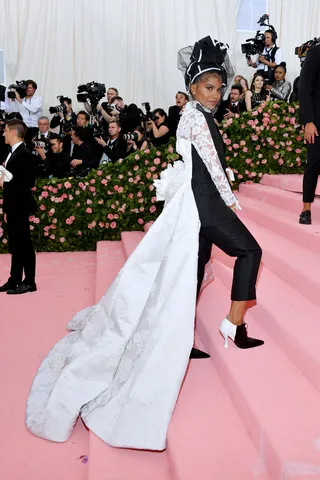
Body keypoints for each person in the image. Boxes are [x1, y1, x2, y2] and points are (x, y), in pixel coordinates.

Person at [25, 36, 263, 452]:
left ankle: (185, 340)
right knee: (250, 251)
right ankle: (234, 324)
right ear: (192, 88)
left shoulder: (197, 114)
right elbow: (211, 165)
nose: (217, 92)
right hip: (206, 206)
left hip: (196, 208)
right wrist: (230, 199)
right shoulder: (195, 118)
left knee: (191, 271)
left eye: (220, 86)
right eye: (209, 86)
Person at [0, 119, 37, 295]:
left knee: (24, 244)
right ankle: (14, 279)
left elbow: (25, 183)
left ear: (13, 132)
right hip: (13, 205)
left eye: (5, 130)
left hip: (20, 206)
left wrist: (4, 183)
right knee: (16, 244)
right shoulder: (12, 153)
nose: (3, 133)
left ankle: (29, 281)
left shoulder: (25, 154)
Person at [298, 42, 320, 225]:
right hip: (317, 122)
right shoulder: (316, 52)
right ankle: (306, 209)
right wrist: (308, 121)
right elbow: (304, 87)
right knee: (313, 164)